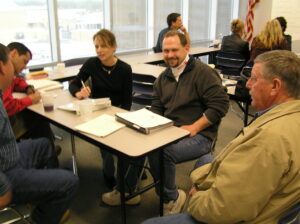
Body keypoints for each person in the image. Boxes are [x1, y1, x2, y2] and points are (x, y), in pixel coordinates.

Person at [142, 50, 300, 224]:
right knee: (206, 162)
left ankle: (173, 198)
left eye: (254, 78)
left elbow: (223, 208)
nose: (247, 84)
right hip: (263, 199)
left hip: (234, 214)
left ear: (275, 86)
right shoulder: (287, 118)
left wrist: (197, 196)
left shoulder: (269, 139)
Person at [146, 30, 229, 215]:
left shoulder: (204, 73)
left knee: (162, 152)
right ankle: (128, 189)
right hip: (170, 131)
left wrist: (194, 127)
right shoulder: (163, 78)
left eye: (174, 50)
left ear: (186, 48)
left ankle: (172, 197)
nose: (169, 55)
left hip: (200, 135)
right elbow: (157, 107)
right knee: (142, 143)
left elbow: (221, 105)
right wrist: (150, 127)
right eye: (166, 51)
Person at [0, 43, 79, 224]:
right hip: (4, 173)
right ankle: (41, 218)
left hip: (7, 155)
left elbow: (17, 81)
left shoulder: (3, 86)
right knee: (70, 181)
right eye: (12, 66)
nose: (17, 71)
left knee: (44, 144)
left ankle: (45, 196)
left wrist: (26, 88)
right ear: (2, 66)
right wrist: (2, 188)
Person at [69, 29, 133, 189]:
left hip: (118, 112)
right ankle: (108, 172)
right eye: (96, 46)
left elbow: (127, 101)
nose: (99, 50)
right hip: (97, 113)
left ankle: (127, 170)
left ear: (114, 47)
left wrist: (120, 117)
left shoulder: (125, 69)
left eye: (103, 46)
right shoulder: (92, 63)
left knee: (125, 145)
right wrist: (79, 92)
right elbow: (74, 84)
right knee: (106, 148)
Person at [3, 42, 61, 165]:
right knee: (39, 119)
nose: (25, 67)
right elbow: (7, 106)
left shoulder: (8, 73)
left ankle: (45, 152)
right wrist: (31, 99)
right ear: (13, 54)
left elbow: (16, 81)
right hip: (4, 128)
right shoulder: (3, 74)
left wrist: (27, 88)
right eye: (24, 61)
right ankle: (50, 160)